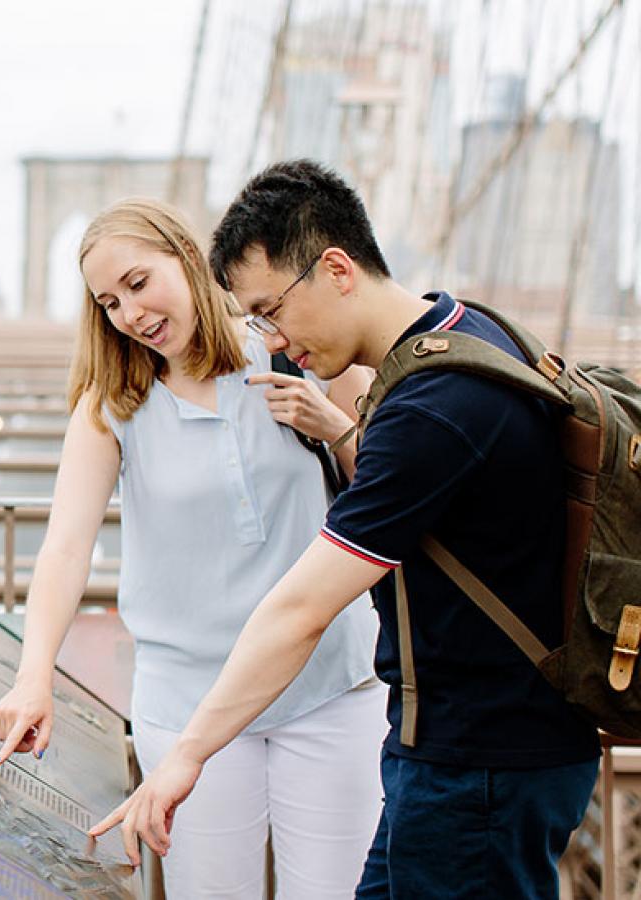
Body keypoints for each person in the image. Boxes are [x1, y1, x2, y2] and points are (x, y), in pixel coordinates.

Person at [96, 160, 601, 898]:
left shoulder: (430, 408)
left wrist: (183, 757)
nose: (270, 336)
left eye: (271, 309)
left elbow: (302, 608)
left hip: (483, 766)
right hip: (461, 751)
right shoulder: (471, 331)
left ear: (335, 268)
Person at [0, 197, 383, 898]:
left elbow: (392, 491)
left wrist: (338, 431)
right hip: (187, 700)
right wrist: (32, 674)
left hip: (328, 687)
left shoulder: (297, 349)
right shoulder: (111, 403)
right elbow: (65, 548)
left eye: (139, 283)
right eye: (109, 302)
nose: (130, 314)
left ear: (188, 257)